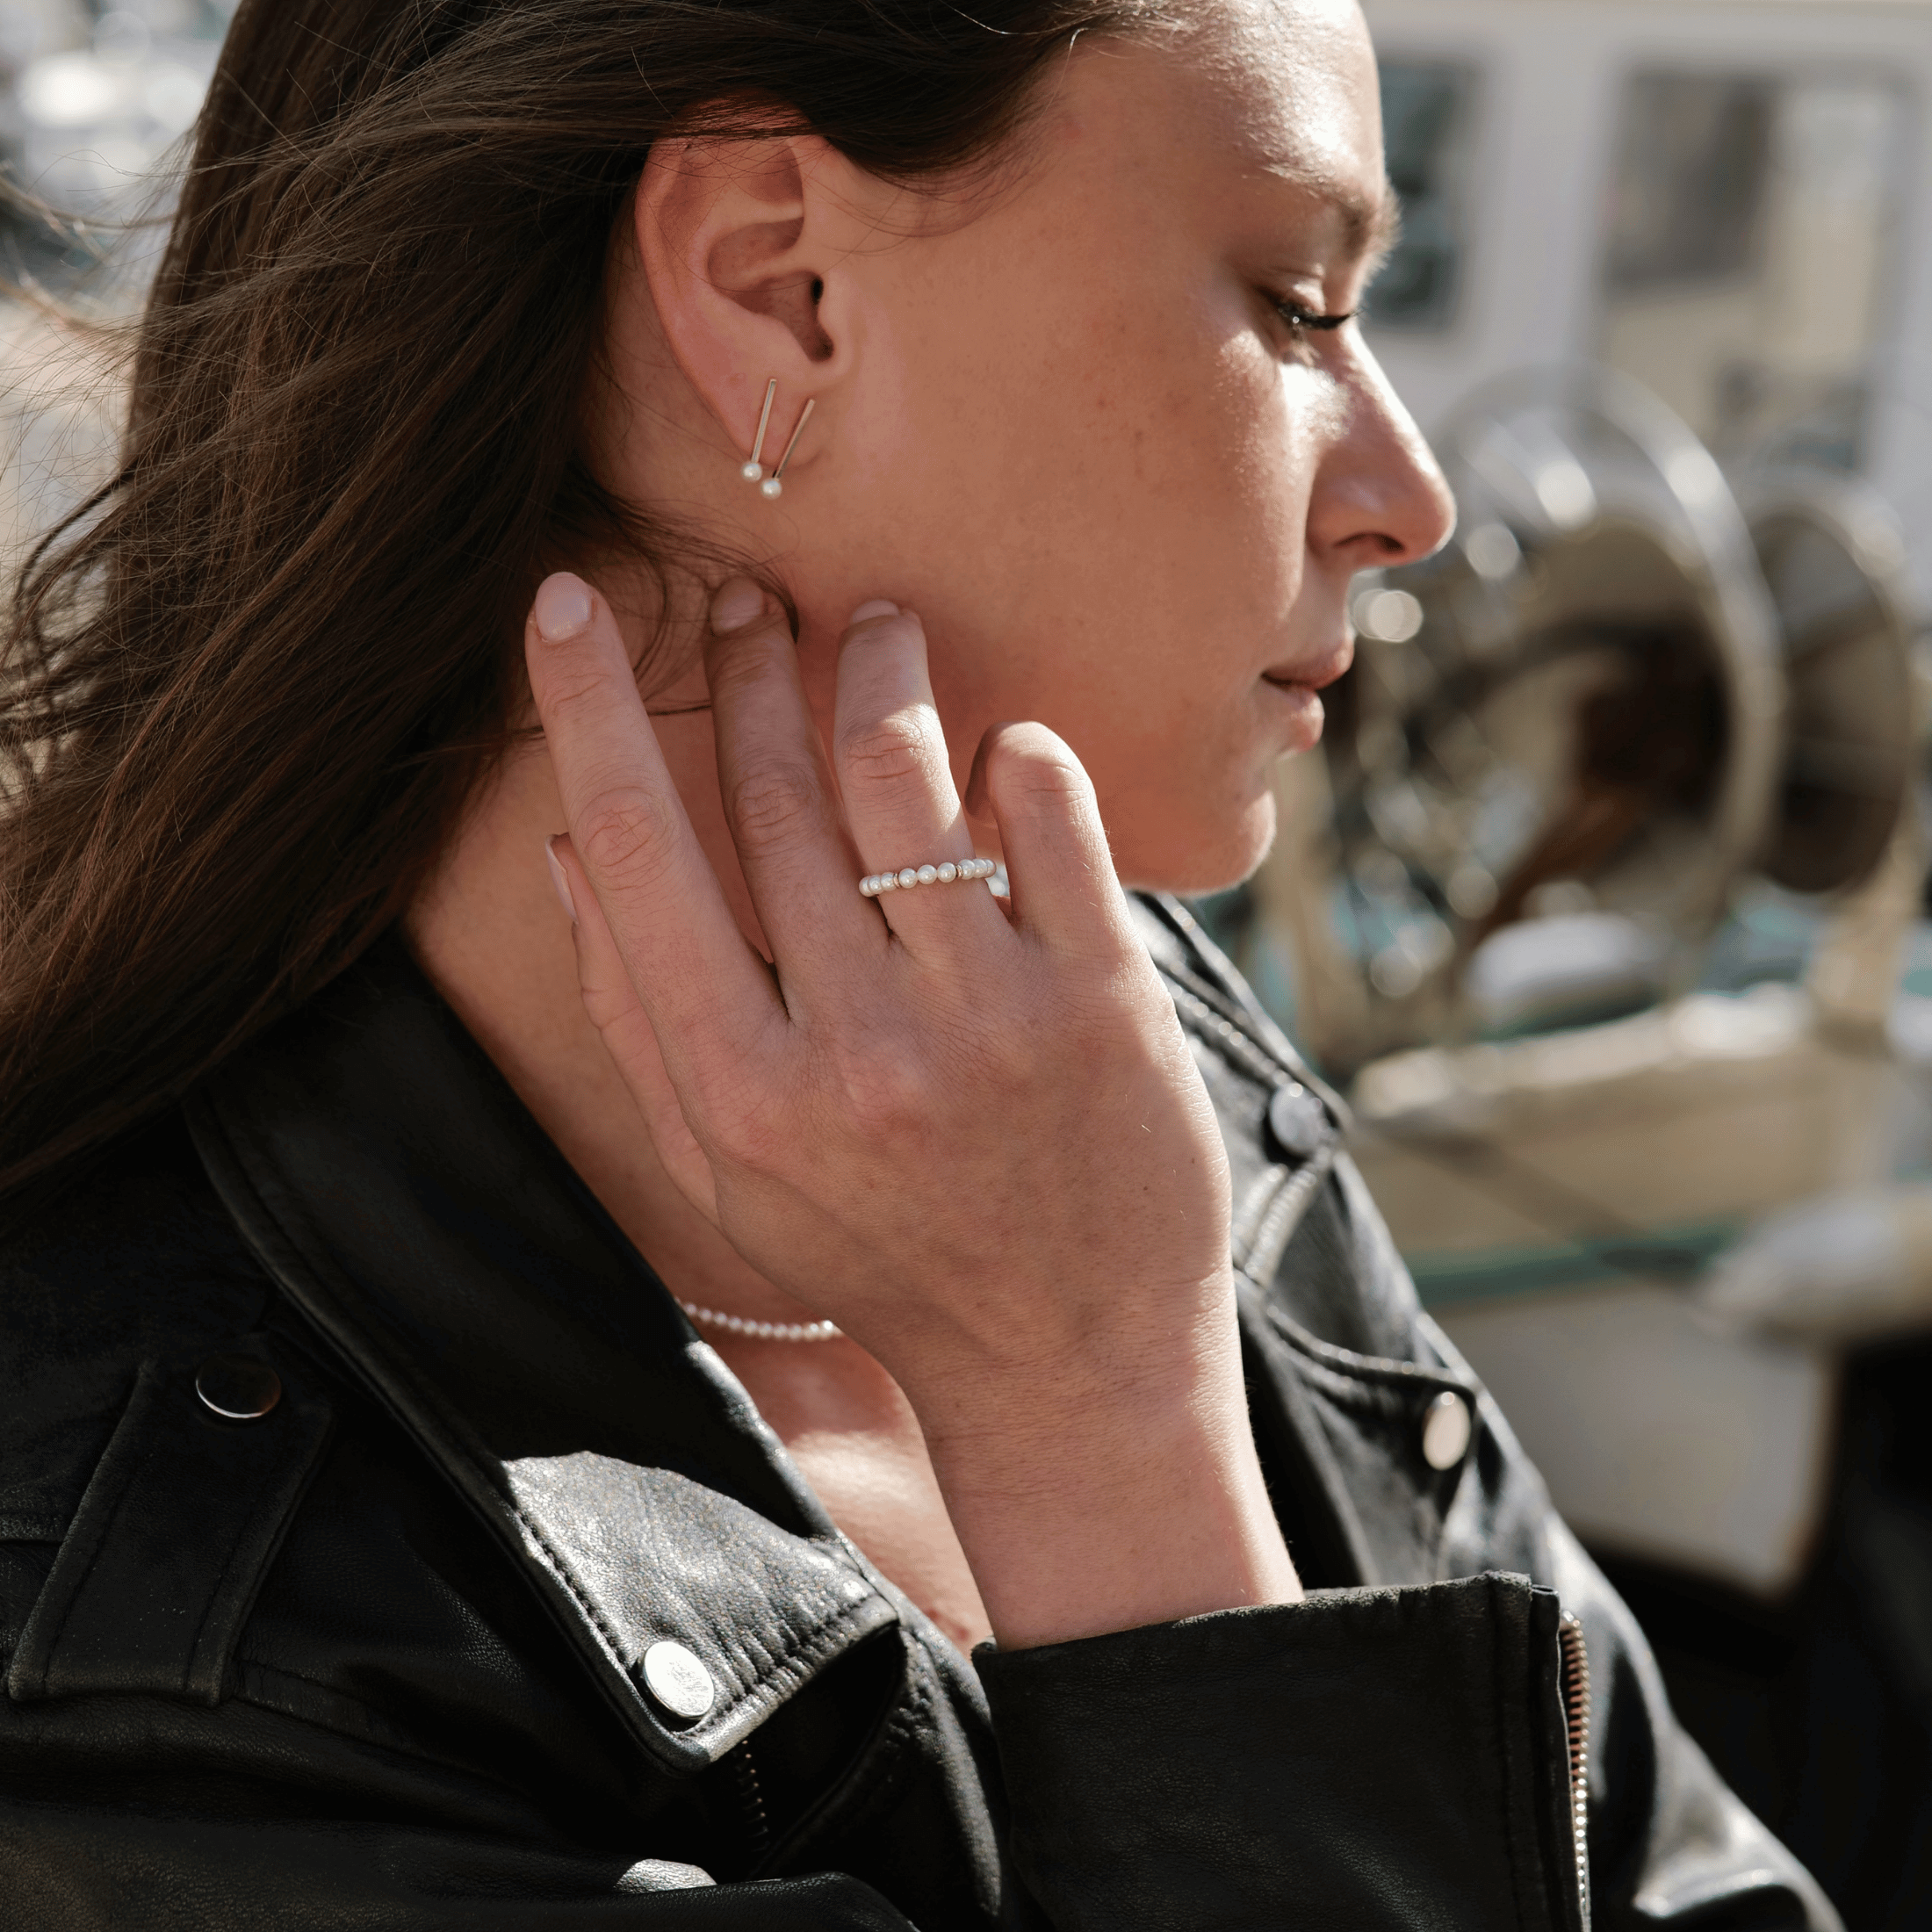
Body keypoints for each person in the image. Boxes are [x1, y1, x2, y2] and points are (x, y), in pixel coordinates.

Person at [0, 0, 1841, 1925]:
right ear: (773, 284)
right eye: (1294, 304)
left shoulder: (1139, 1086)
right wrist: (1106, 1428)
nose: (1404, 493)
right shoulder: (125, 1642)